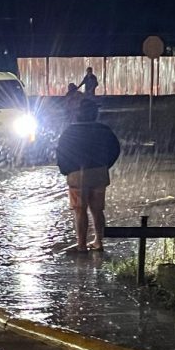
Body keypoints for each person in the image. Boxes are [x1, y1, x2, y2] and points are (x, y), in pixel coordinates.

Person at [56, 99, 120, 253]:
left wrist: (67, 170)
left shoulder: (69, 132)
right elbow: (115, 149)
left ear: (77, 115)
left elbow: (61, 154)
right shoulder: (104, 130)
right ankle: (99, 242)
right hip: (99, 173)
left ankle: (81, 245)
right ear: (95, 114)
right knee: (97, 210)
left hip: (77, 175)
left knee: (80, 210)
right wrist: (105, 165)